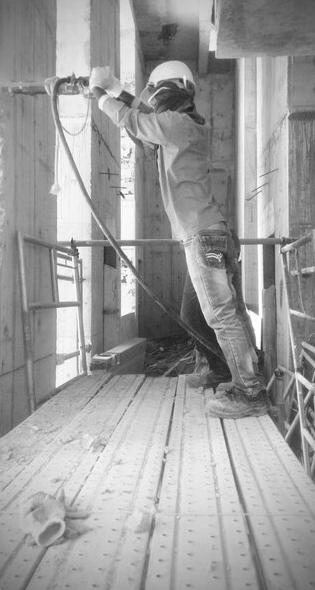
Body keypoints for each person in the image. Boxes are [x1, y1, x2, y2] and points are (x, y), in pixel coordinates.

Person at [89, 61, 268, 418]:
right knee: (202, 312)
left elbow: (135, 120)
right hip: (208, 234)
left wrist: (101, 98)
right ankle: (221, 368)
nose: (151, 100)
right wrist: (113, 88)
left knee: (221, 314)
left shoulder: (173, 125)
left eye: (154, 92)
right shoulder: (182, 125)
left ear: (165, 91)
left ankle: (249, 392)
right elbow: (144, 114)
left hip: (202, 236)